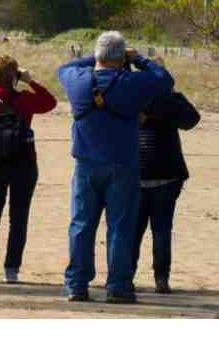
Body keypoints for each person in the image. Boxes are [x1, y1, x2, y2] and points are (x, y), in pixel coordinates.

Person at [58, 31, 174, 304]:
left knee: (81, 225)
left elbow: (65, 67)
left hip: (86, 163)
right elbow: (165, 80)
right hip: (123, 163)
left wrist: (95, 58)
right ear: (121, 57)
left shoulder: (78, 81)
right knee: (121, 227)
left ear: (98, 55)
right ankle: (118, 286)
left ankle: (77, 284)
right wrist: (138, 59)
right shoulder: (132, 82)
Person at [0, 55, 57, 283]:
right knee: (18, 218)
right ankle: (12, 269)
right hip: (24, 163)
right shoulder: (26, 100)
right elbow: (51, 102)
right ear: (15, 75)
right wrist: (30, 81)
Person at [133, 58, 200, 294]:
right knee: (161, 230)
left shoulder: (132, 96)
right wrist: (174, 93)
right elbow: (192, 119)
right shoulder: (169, 102)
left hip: (137, 171)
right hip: (167, 173)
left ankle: (125, 276)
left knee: (134, 230)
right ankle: (161, 279)